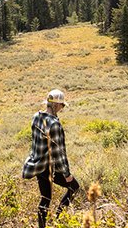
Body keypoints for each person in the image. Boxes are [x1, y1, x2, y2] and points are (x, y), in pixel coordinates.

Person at [22, 89, 80, 228]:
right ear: (56, 105)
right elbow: (60, 153)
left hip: (37, 165)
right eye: (62, 105)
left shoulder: (36, 116)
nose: (62, 108)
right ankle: (59, 218)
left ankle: (42, 226)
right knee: (74, 187)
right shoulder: (55, 124)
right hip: (49, 166)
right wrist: (66, 174)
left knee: (45, 199)